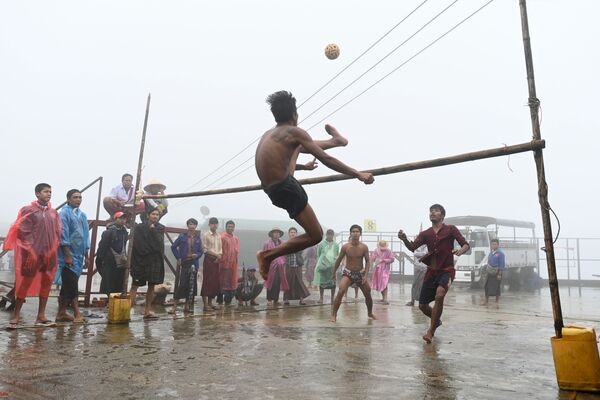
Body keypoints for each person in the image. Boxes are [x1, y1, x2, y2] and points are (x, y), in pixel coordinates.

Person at [255, 90, 374, 279]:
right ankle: (267, 256)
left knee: (299, 144)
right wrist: (357, 173)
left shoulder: (269, 134)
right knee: (316, 235)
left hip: (273, 188)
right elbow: (325, 159)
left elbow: (277, 163)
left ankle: (337, 141)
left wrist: (303, 167)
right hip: (285, 188)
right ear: (295, 115)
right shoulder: (293, 132)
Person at [398, 204, 470, 343]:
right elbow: (413, 247)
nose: (432, 213)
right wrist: (404, 239)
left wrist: (459, 252)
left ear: (442, 216)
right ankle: (436, 320)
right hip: (431, 272)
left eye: (436, 211)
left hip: (447, 271)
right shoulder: (426, 233)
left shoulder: (451, 229)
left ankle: (430, 332)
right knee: (422, 306)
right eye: (431, 211)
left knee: (440, 294)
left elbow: (466, 245)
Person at [4, 183, 62, 329]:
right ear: (37, 193)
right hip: (32, 254)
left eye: (50, 191)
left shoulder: (53, 213)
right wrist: (30, 251)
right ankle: (16, 315)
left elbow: (57, 233)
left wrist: (52, 250)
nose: (49, 194)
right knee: (24, 283)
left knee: (47, 282)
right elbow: (21, 230)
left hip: (48, 254)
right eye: (45, 191)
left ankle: (41, 316)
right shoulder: (28, 210)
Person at [55, 189, 90, 323]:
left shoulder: (82, 215)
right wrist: (67, 255)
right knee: (72, 285)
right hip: (67, 255)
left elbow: (86, 236)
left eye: (80, 197)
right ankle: (77, 313)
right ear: (68, 199)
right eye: (75, 197)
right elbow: (63, 234)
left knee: (67, 285)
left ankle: (61, 313)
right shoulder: (64, 214)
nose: (78, 199)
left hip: (79, 254)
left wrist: (86, 255)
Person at [330, 224, 376, 322]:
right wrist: (334, 272)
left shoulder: (364, 247)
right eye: (353, 232)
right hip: (348, 273)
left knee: (368, 293)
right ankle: (334, 315)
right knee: (341, 291)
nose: (355, 233)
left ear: (360, 234)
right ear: (350, 233)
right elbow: (338, 260)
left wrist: (366, 275)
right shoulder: (346, 247)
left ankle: (370, 313)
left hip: (360, 273)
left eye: (357, 232)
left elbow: (368, 261)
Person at [129, 208, 166, 319]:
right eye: (153, 214)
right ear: (148, 215)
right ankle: (127, 311)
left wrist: (153, 230)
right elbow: (136, 244)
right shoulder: (139, 227)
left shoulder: (160, 228)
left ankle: (147, 311)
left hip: (154, 260)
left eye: (157, 214)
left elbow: (159, 244)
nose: (155, 216)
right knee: (134, 286)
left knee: (151, 286)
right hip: (140, 260)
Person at [171, 218, 203, 314]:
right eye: (190, 224)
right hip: (185, 263)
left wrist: (197, 255)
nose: (192, 226)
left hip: (194, 263)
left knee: (192, 285)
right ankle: (174, 307)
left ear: (196, 226)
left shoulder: (198, 238)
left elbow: (201, 251)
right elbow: (173, 247)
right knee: (183, 284)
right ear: (187, 226)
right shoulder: (182, 236)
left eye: (194, 224)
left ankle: (187, 306)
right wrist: (178, 258)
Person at [96, 212, 129, 297]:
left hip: (121, 261)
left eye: (124, 219)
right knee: (109, 283)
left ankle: (115, 301)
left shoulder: (124, 232)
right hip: (110, 261)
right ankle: (109, 302)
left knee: (119, 283)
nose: (122, 220)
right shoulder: (108, 232)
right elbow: (102, 247)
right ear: (115, 219)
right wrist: (99, 261)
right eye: (120, 218)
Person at [283, 227, 310, 305]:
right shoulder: (286, 243)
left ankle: (301, 299)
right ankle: (286, 299)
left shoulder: (300, 243)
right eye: (291, 232)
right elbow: (285, 252)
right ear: (289, 234)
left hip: (297, 265)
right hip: (289, 265)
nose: (292, 233)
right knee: (287, 282)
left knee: (299, 282)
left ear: (296, 234)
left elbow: (301, 251)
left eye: (294, 232)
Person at [262, 228, 289, 306]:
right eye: (275, 233)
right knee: (270, 283)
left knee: (277, 283)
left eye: (278, 233)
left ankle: (276, 300)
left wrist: (282, 261)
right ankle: (269, 299)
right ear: (272, 234)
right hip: (270, 267)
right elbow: (264, 255)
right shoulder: (267, 244)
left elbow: (284, 254)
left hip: (280, 267)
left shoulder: (282, 243)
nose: (276, 234)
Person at [201, 217, 222, 311]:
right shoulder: (206, 235)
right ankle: (205, 305)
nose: (214, 225)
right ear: (209, 225)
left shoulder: (219, 235)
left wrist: (219, 256)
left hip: (217, 260)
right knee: (207, 281)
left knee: (214, 282)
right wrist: (216, 255)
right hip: (209, 259)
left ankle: (210, 303)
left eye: (216, 223)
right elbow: (205, 250)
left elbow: (220, 249)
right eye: (213, 223)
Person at [314, 229, 339, 304]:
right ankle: (321, 297)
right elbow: (318, 255)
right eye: (328, 234)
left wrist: (334, 263)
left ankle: (332, 298)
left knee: (333, 282)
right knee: (322, 282)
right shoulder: (321, 244)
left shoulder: (336, 245)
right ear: (326, 235)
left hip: (332, 266)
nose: (330, 236)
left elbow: (336, 255)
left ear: (333, 235)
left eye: (331, 234)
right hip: (323, 265)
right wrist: (322, 263)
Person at [218, 220, 239, 306]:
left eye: (232, 226)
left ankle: (228, 301)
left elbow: (236, 251)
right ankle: (219, 301)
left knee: (231, 282)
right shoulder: (222, 237)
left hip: (233, 264)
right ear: (226, 227)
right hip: (223, 264)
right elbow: (219, 250)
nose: (230, 228)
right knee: (222, 282)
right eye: (229, 226)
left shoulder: (236, 238)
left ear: (234, 228)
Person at [370, 240, 395, 305]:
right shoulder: (376, 250)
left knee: (384, 283)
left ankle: (385, 299)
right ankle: (383, 298)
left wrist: (384, 260)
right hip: (377, 269)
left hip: (385, 269)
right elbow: (372, 258)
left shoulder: (389, 251)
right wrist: (374, 258)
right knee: (380, 284)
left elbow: (392, 259)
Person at [483, 238, 505, 305]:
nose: (494, 245)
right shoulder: (491, 253)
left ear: (498, 245)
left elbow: (502, 264)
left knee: (496, 287)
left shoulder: (500, 254)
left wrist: (499, 274)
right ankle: (486, 301)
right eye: (492, 244)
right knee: (486, 286)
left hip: (497, 272)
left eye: (495, 244)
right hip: (489, 271)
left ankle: (497, 301)